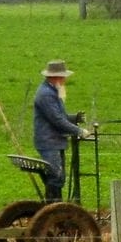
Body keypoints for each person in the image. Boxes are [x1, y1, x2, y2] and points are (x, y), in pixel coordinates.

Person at [32, 59, 92, 202]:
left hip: (54, 141)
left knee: (58, 177)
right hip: (49, 142)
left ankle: (54, 210)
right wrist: (79, 131)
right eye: (63, 76)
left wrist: (74, 118)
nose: (65, 80)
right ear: (55, 77)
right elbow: (57, 121)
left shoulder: (52, 91)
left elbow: (60, 117)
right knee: (56, 177)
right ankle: (53, 211)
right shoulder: (46, 94)